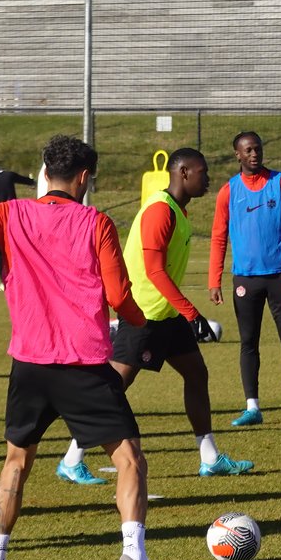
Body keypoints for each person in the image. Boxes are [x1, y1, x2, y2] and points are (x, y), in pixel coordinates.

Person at [0, 135, 179, 560]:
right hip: (82, 363)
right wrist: (137, 320)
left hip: (28, 363)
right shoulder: (96, 222)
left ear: (45, 171)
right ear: (85, 178)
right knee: (129, 458)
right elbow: (118, 295)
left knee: (17, 462)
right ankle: (135, 554)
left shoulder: (11, 213)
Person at [59, 148, 253, 482]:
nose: (208, 179)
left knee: (196, 373)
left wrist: (183, 313)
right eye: (202, 172)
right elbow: (153, 271)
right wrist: (191, 312)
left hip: (165, 313)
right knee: (113, 386)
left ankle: (210, 457)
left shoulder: (178, 210)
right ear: (182, 172)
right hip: (144, 313)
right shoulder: (160, 211)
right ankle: (72, 458)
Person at [209, 131, 281, 428]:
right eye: (248, 150)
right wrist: (214, 279)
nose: (254, 154)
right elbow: (218, 237)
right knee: (248, 342)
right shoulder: (229, 191)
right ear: (238, 155)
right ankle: (252, 407)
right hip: (246, 278)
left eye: (258, 149)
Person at [0, 157, 37, 288]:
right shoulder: (8, 175)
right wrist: (34, 183)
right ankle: (25, 276)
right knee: (17, 247)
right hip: (15, 216)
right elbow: (27, 180)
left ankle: (4, 281)